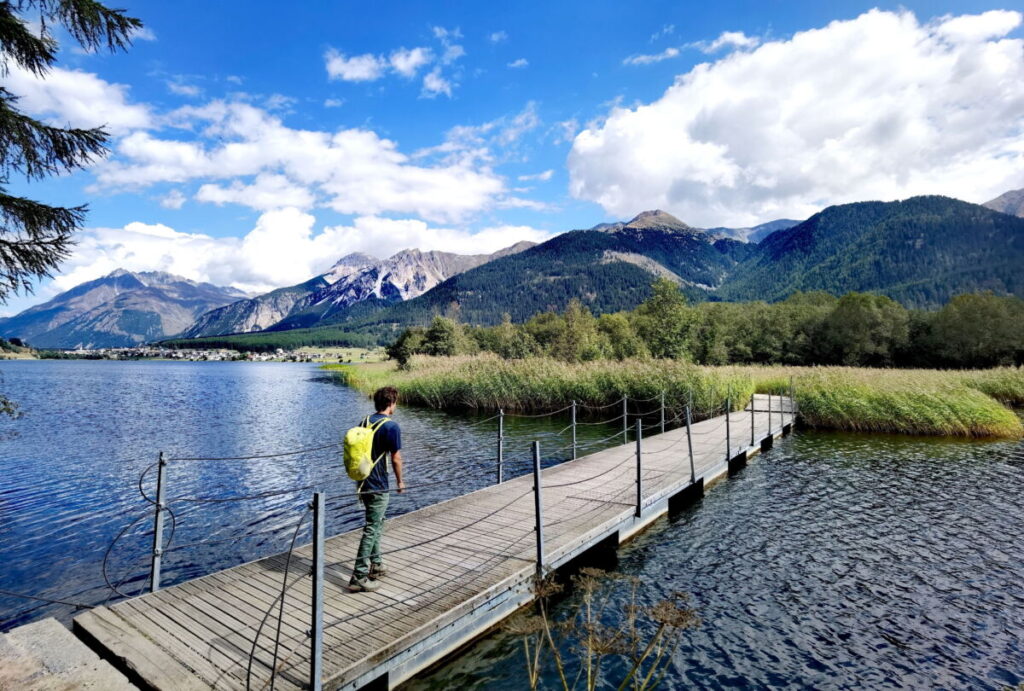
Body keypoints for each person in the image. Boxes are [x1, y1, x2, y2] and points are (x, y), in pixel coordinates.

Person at [349, 385, 404, 592]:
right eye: (395, 402)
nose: (396, 406)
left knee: (376, 522)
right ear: (391, 403)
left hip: (362, 481)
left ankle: (377, 564)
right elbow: (396, 458)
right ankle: (359, 576)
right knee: (372, 528)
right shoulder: (391, 427)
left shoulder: (364, 421)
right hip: (379, 484)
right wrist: (400, 482)